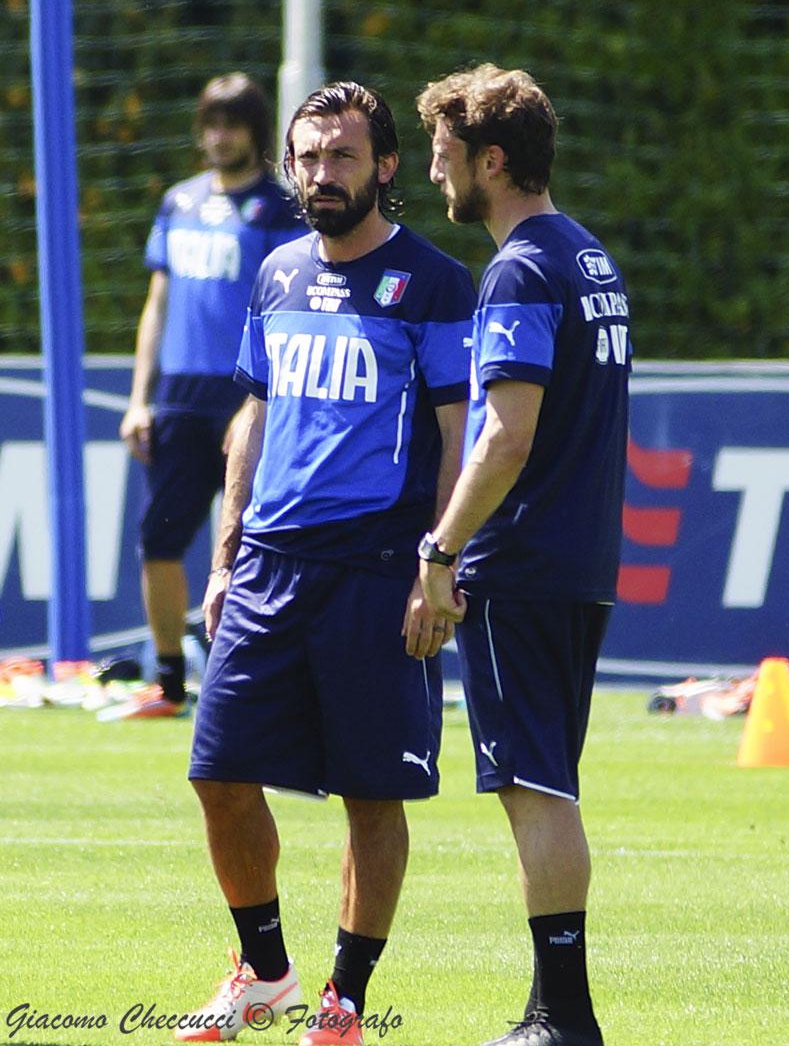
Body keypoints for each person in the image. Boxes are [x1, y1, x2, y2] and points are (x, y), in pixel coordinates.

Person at [178, 81, 477, 1044]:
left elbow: (460, 435)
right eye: (307, 157)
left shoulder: (434, 282)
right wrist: (224, 559)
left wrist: (438, 564)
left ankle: (344, 1002)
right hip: (267, 568)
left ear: (385, 166)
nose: (321, 174)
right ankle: (265, 973)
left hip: (378, 570)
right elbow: (253, 419)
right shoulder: (275, 272)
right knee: (218, 774)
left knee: (372, 795)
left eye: (342, 155)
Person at [415, 64, 631, 1046]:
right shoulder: (588, 254)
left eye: (445, 155)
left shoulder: (520, 270)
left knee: (533, 786)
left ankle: (563, 1019)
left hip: (523, 563)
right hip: (580, 562)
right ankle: (556, 1011)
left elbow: (505, 436)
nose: (436, 173)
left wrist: (441, 549)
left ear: (491, 161)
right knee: (549, 783)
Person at [119, 72, 304, 718]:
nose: (221, 136)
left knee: (259, 546)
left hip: (246, 397)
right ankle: (170, 680)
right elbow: (157, 304)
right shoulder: (178, 202)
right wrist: (139, 398)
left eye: (233, 124)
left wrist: (260, 402)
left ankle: (256, 683)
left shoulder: (280, 210)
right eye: (212, 124)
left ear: (256, 131)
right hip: (178, 399)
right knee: (158, 540)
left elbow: (288, 309)